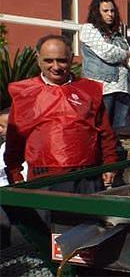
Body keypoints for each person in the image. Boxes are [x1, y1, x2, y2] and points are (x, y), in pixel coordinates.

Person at [3, 35, 117, 191]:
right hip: (42, 179)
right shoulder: (24, 93)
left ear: (71, 58)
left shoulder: (89, 90)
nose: (55, 67)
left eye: (61, 60)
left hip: (87, 176)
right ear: (38, 59)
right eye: (48, 61)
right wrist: (15, 173)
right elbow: (14, 139)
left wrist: (110, 164)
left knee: (86, 216)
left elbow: (105, 133)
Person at [80, 0, 130, 129]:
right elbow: (107, 53)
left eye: (112, 11)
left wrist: (125, 57)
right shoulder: (89, 29)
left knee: (118, 133)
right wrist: (126, 54)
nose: (110, 14)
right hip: (103, 89)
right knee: (102, 130)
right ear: (97, 12)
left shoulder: (119, 35)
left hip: (123, 89)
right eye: (105, 11)